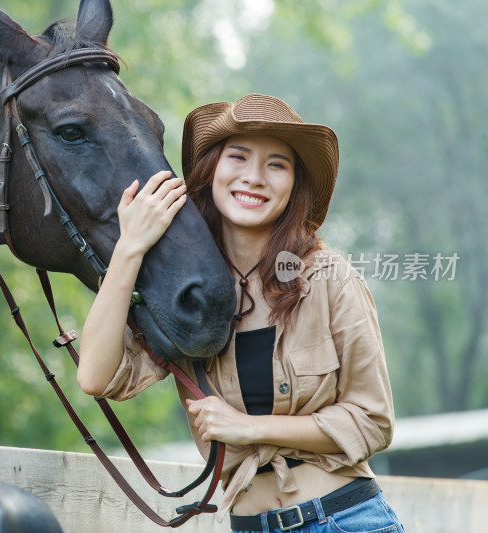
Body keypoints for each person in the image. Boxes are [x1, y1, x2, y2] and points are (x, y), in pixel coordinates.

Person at [76, 94, 405, 532]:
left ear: (294, 185)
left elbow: (373, 421)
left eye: (276, 164)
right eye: (238, 156)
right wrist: (130, 247)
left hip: (342, 518)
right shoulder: (186, 291)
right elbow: (96, 377)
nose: (253, 177)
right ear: (212, 168)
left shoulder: (329, 279)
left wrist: (249, 428)